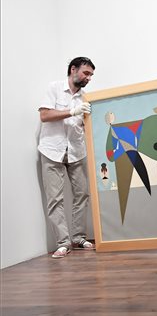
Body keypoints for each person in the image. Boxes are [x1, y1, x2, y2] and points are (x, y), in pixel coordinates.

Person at [38, 57, 97, 258]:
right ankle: (63, 243)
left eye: (91, 75)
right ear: (73, 69)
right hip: (52, 151)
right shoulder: (54, 88)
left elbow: (85, 126)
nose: (88, 78)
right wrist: (72, 111)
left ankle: (79, 238)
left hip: (76, 151)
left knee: (82, 194)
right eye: (86, 73)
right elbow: (44, 115)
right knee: (55, 199)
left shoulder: (86, 98)